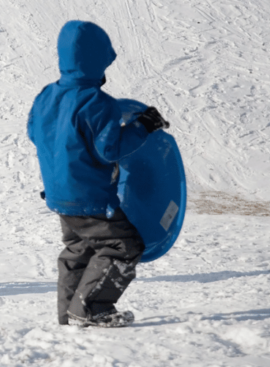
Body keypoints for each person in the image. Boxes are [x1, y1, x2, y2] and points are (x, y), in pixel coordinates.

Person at [27, 21, 170, 327]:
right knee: (124, 246)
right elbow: (110, 149)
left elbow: (33, 133)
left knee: (79, 249)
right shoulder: (97, 102)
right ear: (96, 61)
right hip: (90, 197)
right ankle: (90, 308)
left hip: (58, 196)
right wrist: (143, 126)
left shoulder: (46, 96)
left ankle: (69, 313)